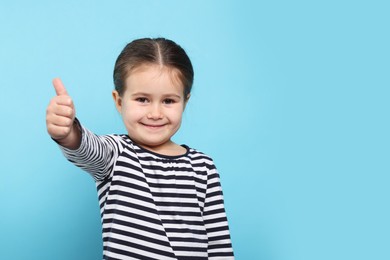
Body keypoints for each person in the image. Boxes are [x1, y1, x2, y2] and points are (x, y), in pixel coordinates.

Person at [46, 38, 234, 260]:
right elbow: (87, 148)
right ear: (119, 101)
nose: (155, 113)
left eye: (169, 101)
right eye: (143, 99)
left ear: (185, 101)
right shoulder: (116, 154)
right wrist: (68, 133)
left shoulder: (203, 168)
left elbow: (219, 244)